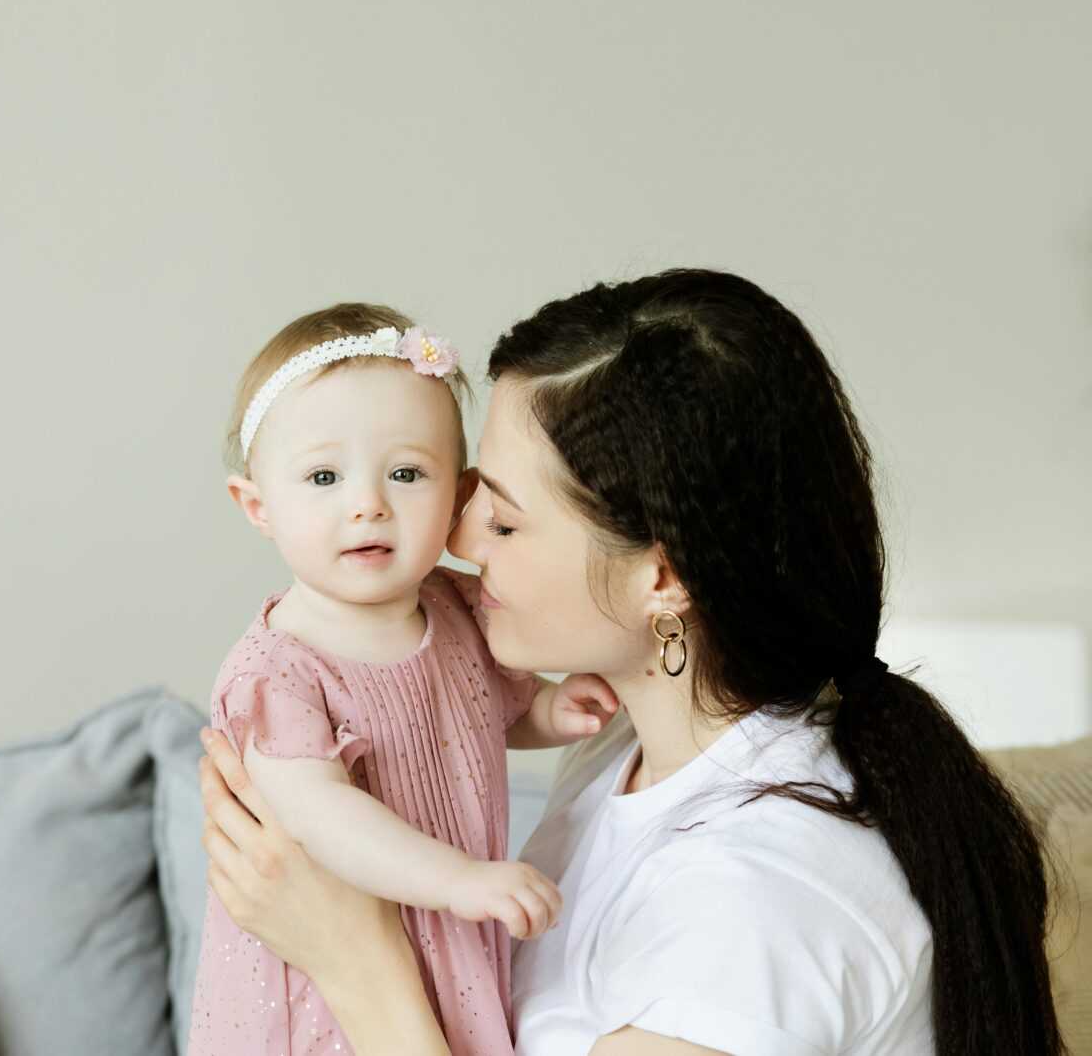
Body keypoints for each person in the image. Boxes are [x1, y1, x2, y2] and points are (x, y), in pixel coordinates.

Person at [197, 271, 1062, 1055]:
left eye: (502, 519)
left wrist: (356, 960)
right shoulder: (628, 747)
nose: (457, 541)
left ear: (662, 577)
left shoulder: (751, 910)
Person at [189, 303, 619, 1056]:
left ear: (459, 496)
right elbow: (319, 815)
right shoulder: (277, 671)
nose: (368, 504)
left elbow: (485, 713)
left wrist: (551, 709)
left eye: (407, 473)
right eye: (324, 476)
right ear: (258, 506)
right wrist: (459, 879)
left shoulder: (459, 609)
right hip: (325, 973)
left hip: (449, 937)